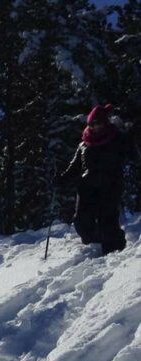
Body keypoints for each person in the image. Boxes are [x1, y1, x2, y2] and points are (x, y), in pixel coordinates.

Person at [56, 104, 138, 256]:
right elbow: (75, 166)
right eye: (90, 124)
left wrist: (130, 136)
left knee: (107, 221)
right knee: (81, 222)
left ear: (105, 122)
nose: (94, 127)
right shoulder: (84, 144)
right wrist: (62, 178)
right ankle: (103, 241)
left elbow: (133, 156)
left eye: (97, 123)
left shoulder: (117, 138)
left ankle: (114, 254)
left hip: (110, 185)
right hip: (87, 187)